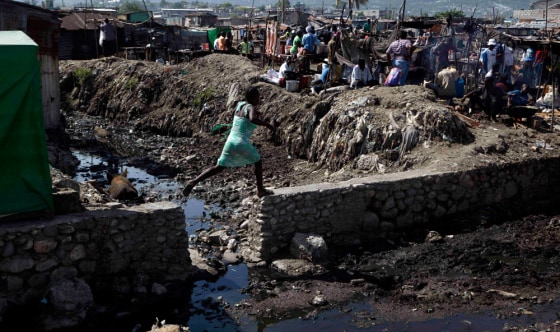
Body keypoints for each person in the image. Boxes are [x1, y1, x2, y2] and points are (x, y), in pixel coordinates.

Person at [182, 87, 275, 198]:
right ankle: (260, 190)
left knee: (219, 166)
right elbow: (251, 119)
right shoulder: (251, 107)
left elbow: (244, 117)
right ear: (255, 98)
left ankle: (194, 182)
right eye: (258, 97)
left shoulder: (240, 105)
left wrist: (256, 112)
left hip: (230, 142)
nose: (259, 99)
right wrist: (267, 125)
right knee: (258, 161)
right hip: (241, 142)